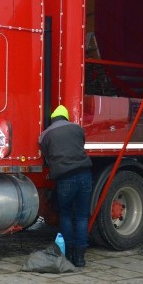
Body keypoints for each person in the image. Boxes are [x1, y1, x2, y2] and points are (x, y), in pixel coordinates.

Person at [39, 105, 93, 267]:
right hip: (85, 174)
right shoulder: (78, 129)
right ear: (66, 117)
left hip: (65, 178)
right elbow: (80, 146)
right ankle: (80, 257)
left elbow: (47, 157)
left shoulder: (45, 135)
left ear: (53, 119)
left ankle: (69, 254)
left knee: (66, 215)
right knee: (82, 216)